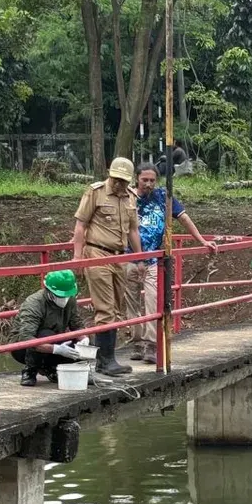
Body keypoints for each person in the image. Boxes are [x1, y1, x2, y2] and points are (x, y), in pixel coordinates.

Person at [124, 163, 217, 363]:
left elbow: (183, 218)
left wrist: (201, 240)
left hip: (154, 259)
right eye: (144, 180)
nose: (148, 184)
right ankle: (137, 342)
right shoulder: (128, 197)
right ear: (137, 178)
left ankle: (151, 344)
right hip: (129, 257)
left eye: (152, 180)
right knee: (131, 302)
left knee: (152, 300)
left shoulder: (163, 197)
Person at [71, 156, 142, 377]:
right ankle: (105, 360)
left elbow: (133, 230)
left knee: (117, 309)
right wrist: (77, 257)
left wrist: (140, 258)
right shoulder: (96, 192)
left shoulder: (131, 197)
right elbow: (81, 225)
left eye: (123, 181)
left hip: (119, 257)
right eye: (116, 179)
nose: (119, 184)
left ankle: (107, 357)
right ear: (110, 175)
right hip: (97, 253)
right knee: (105, 308)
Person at [9, 270, 88, 386]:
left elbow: (76, 324)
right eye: (61, 296)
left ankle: (52, 368)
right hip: (25, 347)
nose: (65, 299)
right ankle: (30, 370)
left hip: (56, 338)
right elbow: (26, 337)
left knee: (82, 347)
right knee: (45, 335)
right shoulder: (34, 303)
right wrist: (56, 349)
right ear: (49, 291)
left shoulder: (70, 300)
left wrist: (84, 339)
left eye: (67, 295)